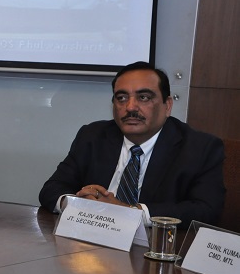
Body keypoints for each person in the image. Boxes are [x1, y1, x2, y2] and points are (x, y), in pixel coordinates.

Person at [39, 61, 225, 227]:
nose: (130, 107)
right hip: (90, 242)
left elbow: (206, 210)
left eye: (143, 97)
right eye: (121, 98)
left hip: (152, 246)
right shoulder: (93, 136)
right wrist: (79, 203)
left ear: (167, 105)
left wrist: (129, 212)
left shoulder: (200, 148)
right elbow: (51, 189)